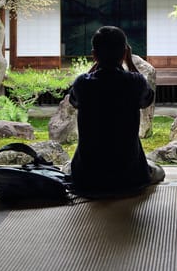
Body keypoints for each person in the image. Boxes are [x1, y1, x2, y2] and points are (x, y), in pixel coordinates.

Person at [67, 25, 165, 197]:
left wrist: (96, 63)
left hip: (87, 178)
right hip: (130, 177)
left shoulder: (83, 83)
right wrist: (130, 63)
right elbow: (147, 99)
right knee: (158, 171)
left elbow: (74, 100)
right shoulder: (135, 82)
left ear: (94, 54)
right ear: (124, 53)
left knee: (67, 167)